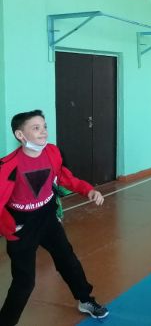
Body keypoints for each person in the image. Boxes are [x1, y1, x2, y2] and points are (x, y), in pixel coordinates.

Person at [0, 110, 108, 325]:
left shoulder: (52, 152)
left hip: (47, 219)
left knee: (68, 261)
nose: (43, 132)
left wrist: (88, 190)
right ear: (20, 135)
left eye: (45, 126)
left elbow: (65, 177)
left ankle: (85, 300)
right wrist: (10, 230)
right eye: (36, 128)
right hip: (22, 226)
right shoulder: (7, 166)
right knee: (24, 282)